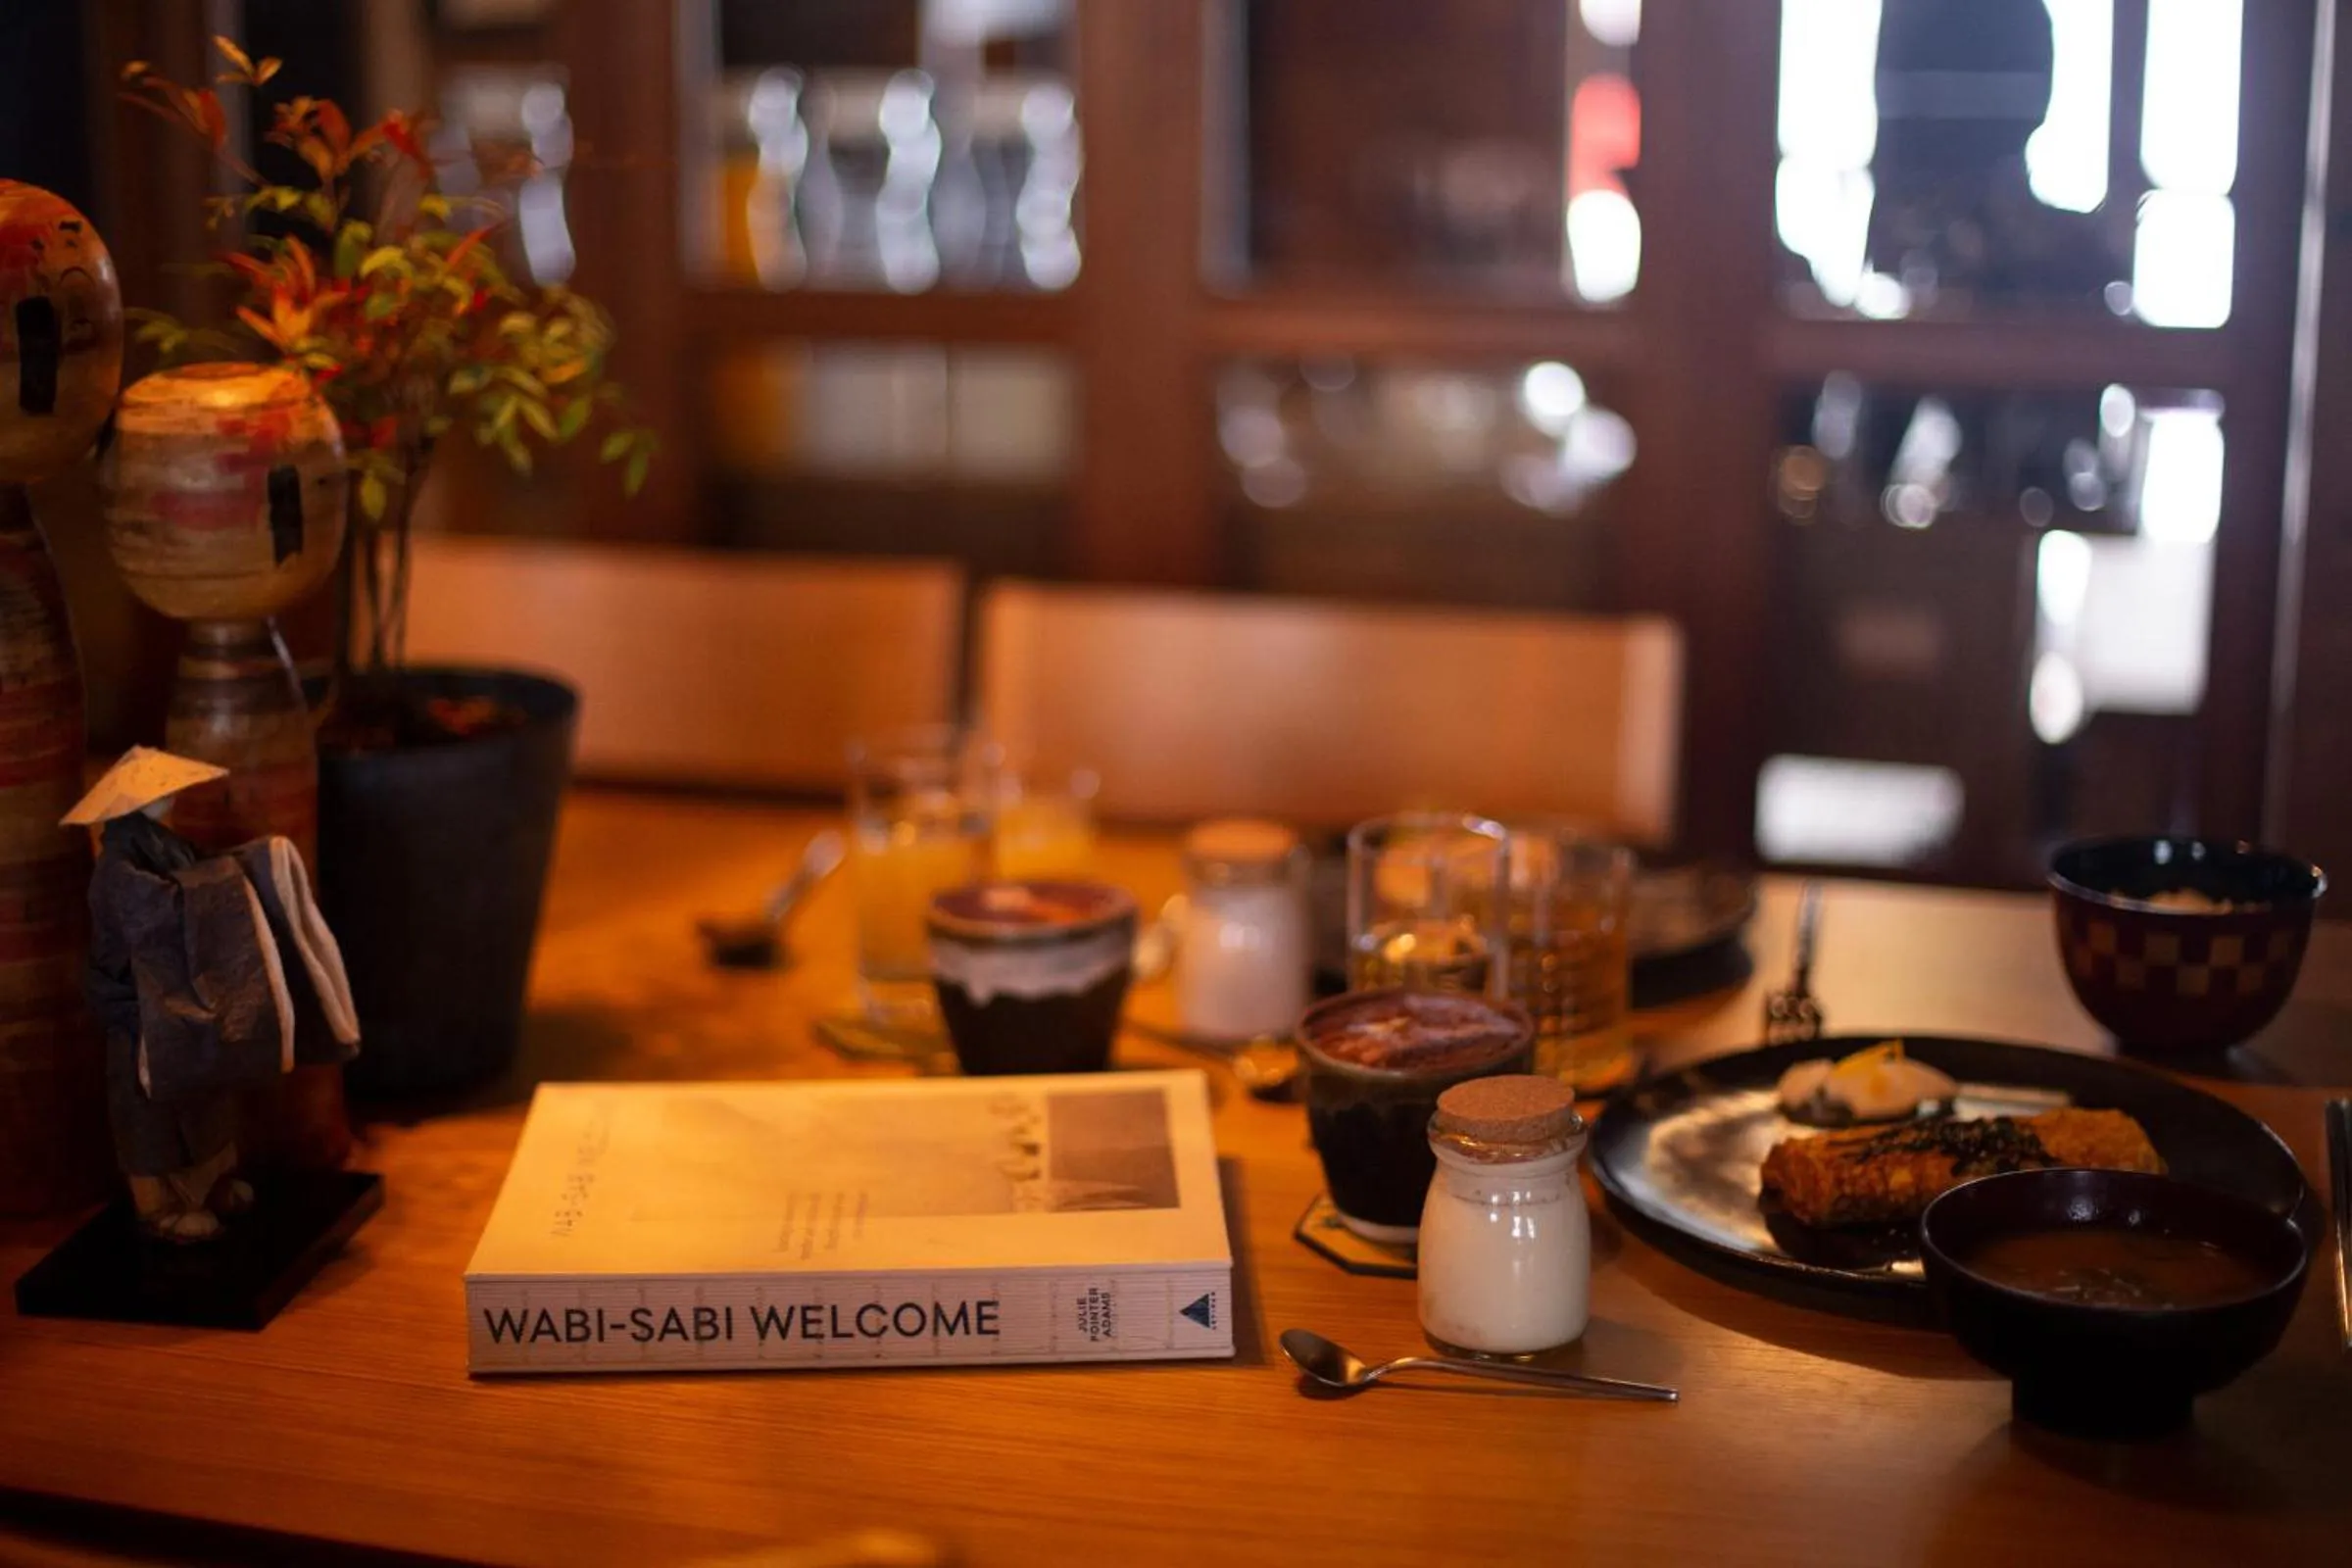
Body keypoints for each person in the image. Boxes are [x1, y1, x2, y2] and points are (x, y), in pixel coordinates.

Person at [65, 747, 360, 1242]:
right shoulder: (116, 870)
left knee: (208, 1093)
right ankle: (161, 1209)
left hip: (175, 1002)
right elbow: (158, 910)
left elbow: (201, 871)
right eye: (159, 795)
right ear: (133, 806)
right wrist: (227, 879)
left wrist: (256, 862)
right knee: (153, 1109)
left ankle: (211, 1185)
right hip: (141, 1011)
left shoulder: (164, 844)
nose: (169, 801)